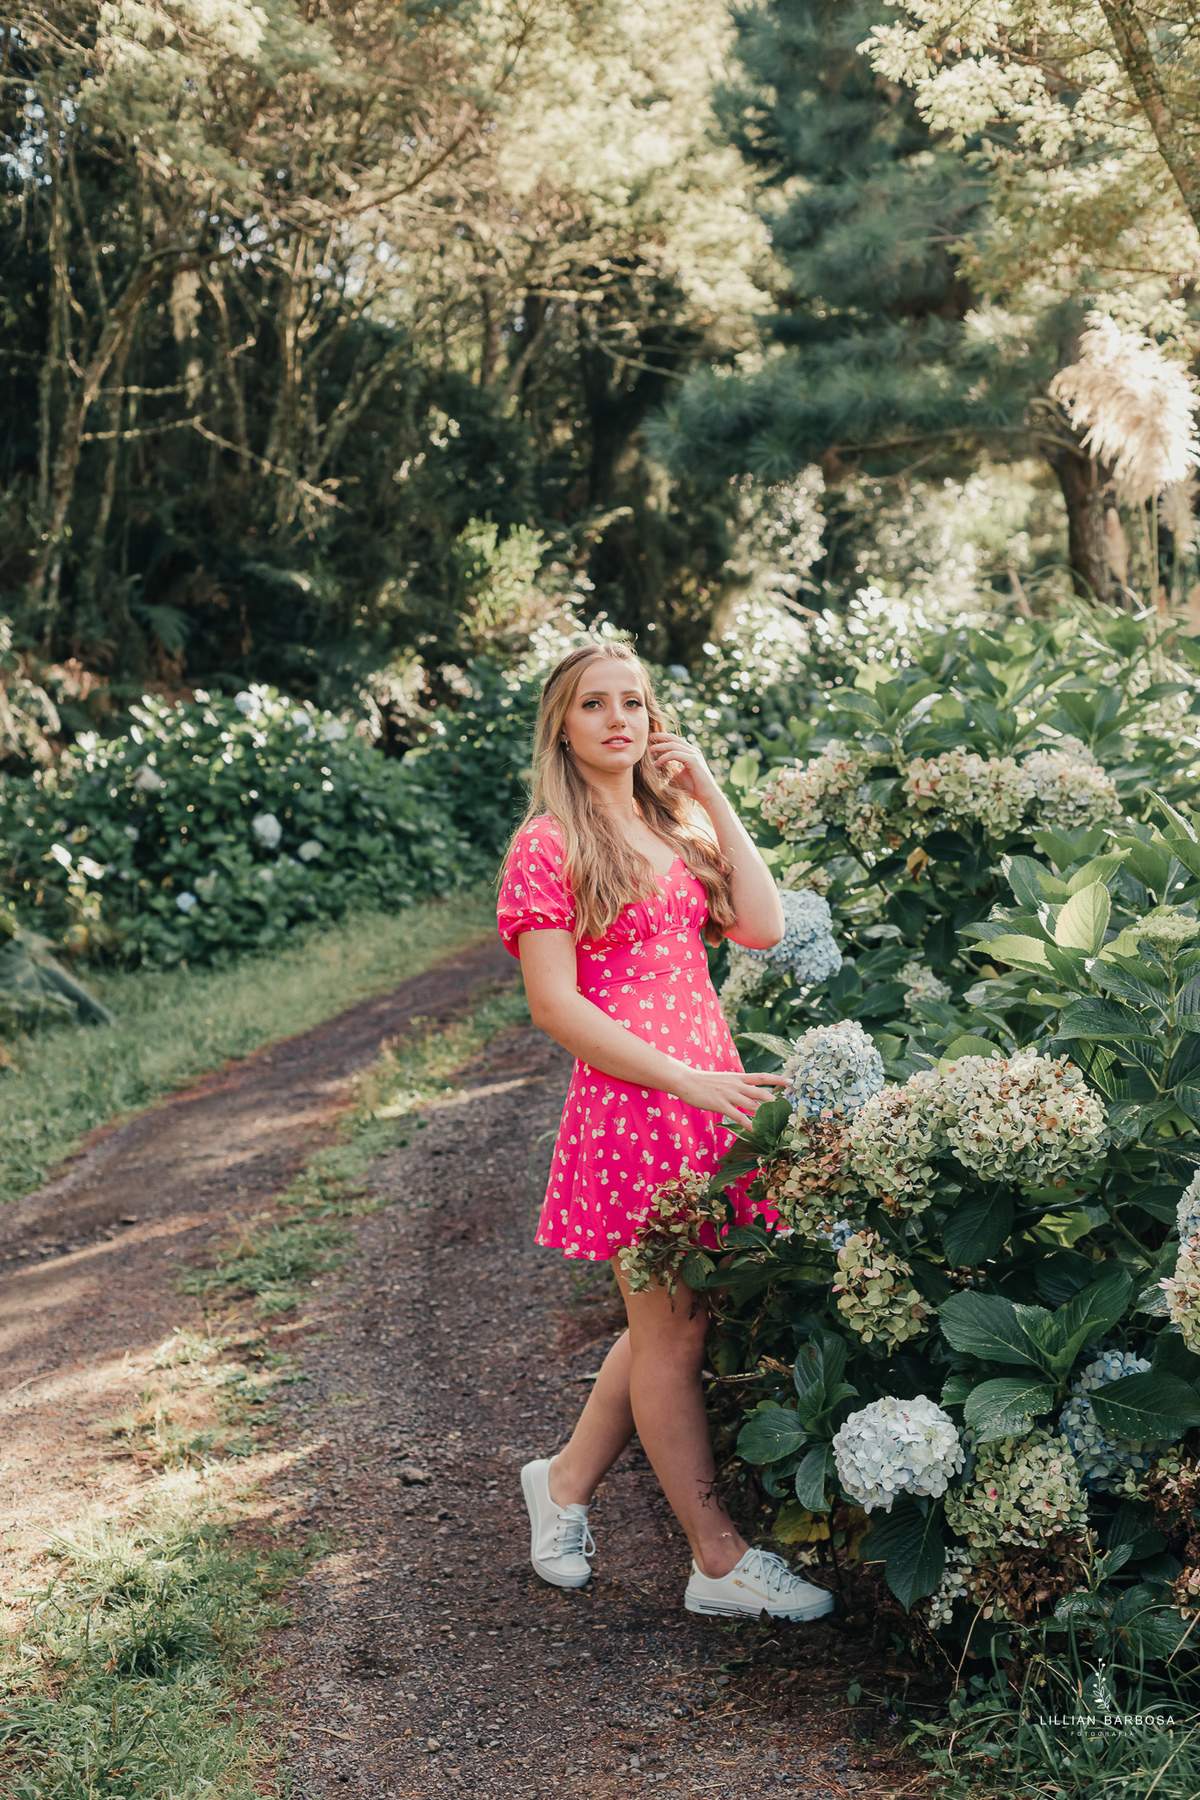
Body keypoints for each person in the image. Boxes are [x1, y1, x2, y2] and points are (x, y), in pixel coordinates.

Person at [496, 639, 834, 1623]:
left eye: (635, 703)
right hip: (636, 1111)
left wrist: (712, 791)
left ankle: (559, 1487)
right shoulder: (547, 845)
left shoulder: (670, 821)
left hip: (703, 1107)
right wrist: (688, 1077)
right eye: (595, 704)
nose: (619, 720)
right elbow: (557, 1010)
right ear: (563, 722)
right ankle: (716, 1558)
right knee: (672, 1338)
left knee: (673, 1328)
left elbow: (764, 927)